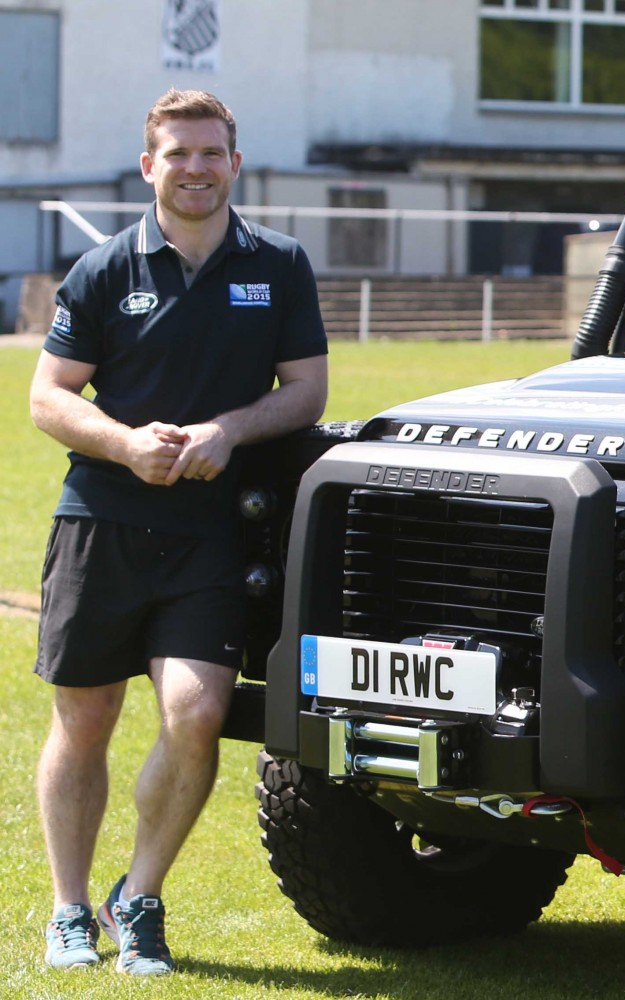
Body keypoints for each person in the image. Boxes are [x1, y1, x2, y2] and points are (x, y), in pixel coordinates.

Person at [29, 89, 328, 975]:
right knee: (85, 718)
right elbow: (47, 396)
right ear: (149, 163)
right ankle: (70, 909)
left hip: (213, 533)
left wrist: (228, 432)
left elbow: (306, 394)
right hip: (103, 524)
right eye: (178, 153)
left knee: (196, 714)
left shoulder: (279, 265)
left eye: (210, 153)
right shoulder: (103, 270)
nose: (195, 168)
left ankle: (142, 897)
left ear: (234, 163)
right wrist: (125, 445)